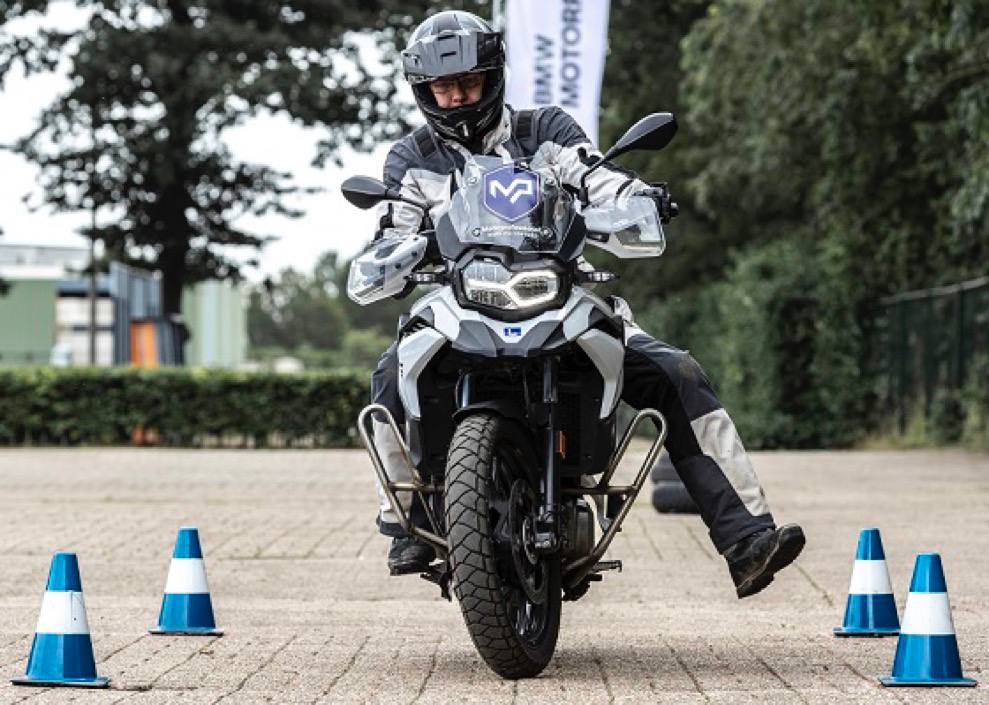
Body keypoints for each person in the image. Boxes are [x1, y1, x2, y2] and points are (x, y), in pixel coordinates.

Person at [368, 10, 805, 598]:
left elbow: (597, 176)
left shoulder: (544, 127)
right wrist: (390, 251)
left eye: (467, 83)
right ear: (423, 92)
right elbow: (393, 222)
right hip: (459, 304)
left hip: (557, 291)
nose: (456, 99)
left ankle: (746, 536)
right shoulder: (411, 158)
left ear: (493, 76)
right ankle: (409, 524)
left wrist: (636, 196)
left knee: (674, 371)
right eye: (442, 89)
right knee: (390, 371)